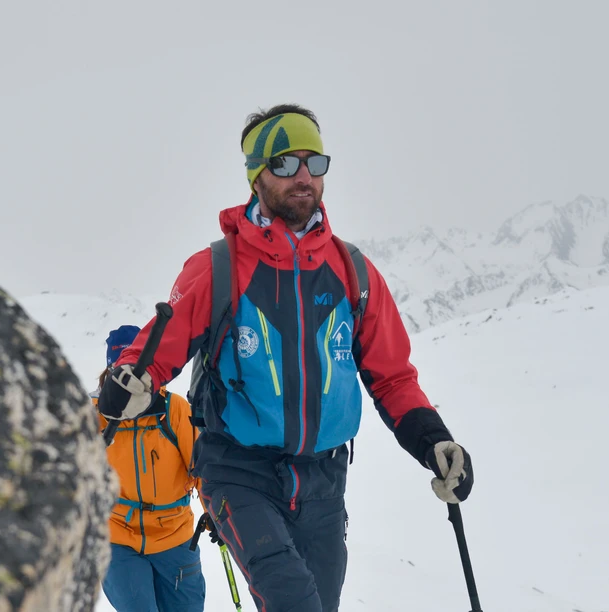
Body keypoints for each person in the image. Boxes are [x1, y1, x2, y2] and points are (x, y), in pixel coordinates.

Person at [98, 104, 473, 611]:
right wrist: (129, 382)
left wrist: (434, 442)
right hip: (239, 469)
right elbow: (155, 351)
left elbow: (392, 376)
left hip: (323, 481)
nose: (303, 177)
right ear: (256, 176)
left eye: (313, 163)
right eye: (284, 163)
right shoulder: (219, 267)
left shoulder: (353, 272)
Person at [95, 325, 206, 612]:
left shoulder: (174, 410)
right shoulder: (93, 416)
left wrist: (221, 515)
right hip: (117, 538)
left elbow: (203, 470)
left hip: (175, 536)